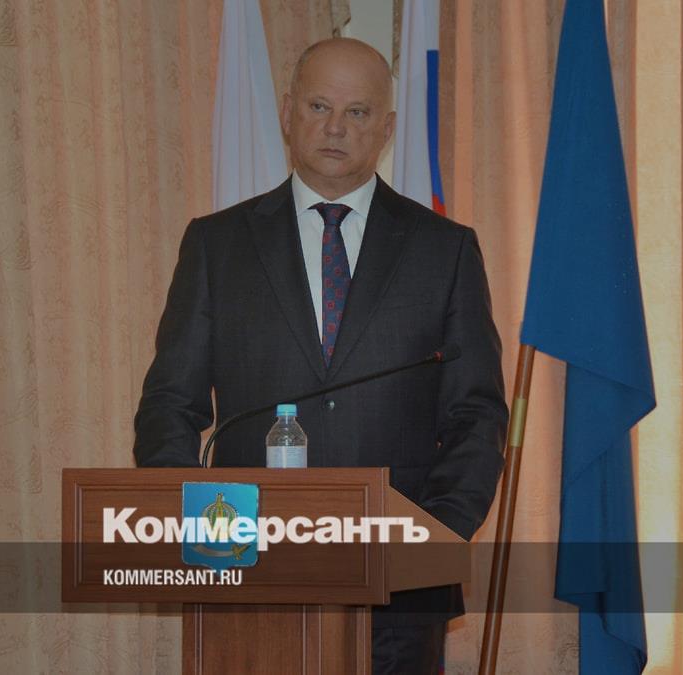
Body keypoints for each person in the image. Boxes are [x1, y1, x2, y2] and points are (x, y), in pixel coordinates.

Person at [133, 37, 507, 674]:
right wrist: (200, 528)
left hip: (398, 590)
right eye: (318, 106)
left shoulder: (444, 250)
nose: (336, 127)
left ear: (386, 127)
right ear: (287, 113)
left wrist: (430, 537)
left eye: (358, 112)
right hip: (249, 577)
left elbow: (477, 415)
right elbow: (170, 405)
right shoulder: (217, 245)